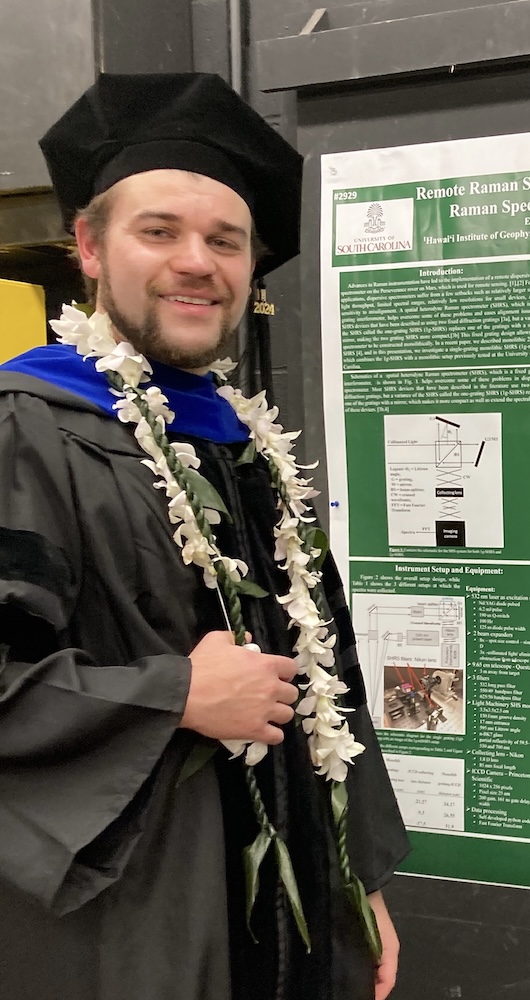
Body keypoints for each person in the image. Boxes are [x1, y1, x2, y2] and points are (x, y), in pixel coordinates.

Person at [0, 73, 410, 1000]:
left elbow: (326, 675)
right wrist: (173, 695)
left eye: (224, 240)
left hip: (294, 897)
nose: (197, 261)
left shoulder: (250, 443)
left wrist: (360, 876)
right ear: (90, 248)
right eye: (160, 231)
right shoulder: (25, 426)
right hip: (127, 919)